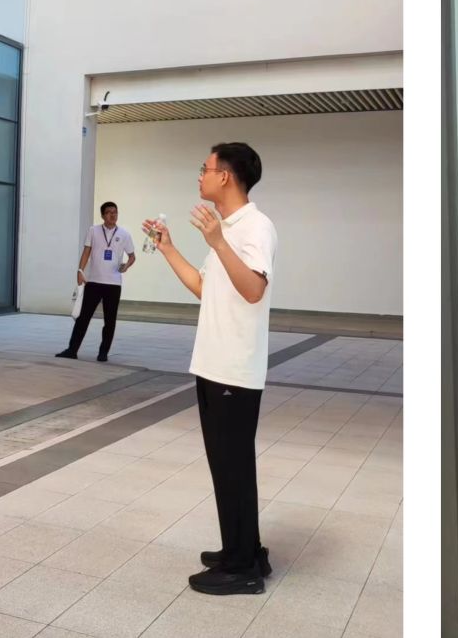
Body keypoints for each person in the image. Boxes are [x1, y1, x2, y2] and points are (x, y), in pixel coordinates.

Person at [144, 142, 287, 597]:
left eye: (204, 168)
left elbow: (253, 290)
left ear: (225, 176)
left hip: (234, 369)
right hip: (213, 363)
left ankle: (243, 569)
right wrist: (168, 248)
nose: (200, 175)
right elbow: (205, 288)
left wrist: (219, 243)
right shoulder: (226, 228)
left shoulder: (255, 227)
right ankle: (244, 551)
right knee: (225, 466)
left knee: (233, 466)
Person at [59, 201, 137, 362]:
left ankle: (103, 353)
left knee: (110, 320)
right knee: (83, 318)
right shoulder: (93, 231)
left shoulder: (124, 234)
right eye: (109, 212)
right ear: (102, 215)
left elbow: (132, 256)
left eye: (115, 212)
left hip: (113, 284)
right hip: (94, 282)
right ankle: (72, 350)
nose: (112, 215)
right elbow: (86, 252)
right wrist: (80, 271)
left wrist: (126, 266)